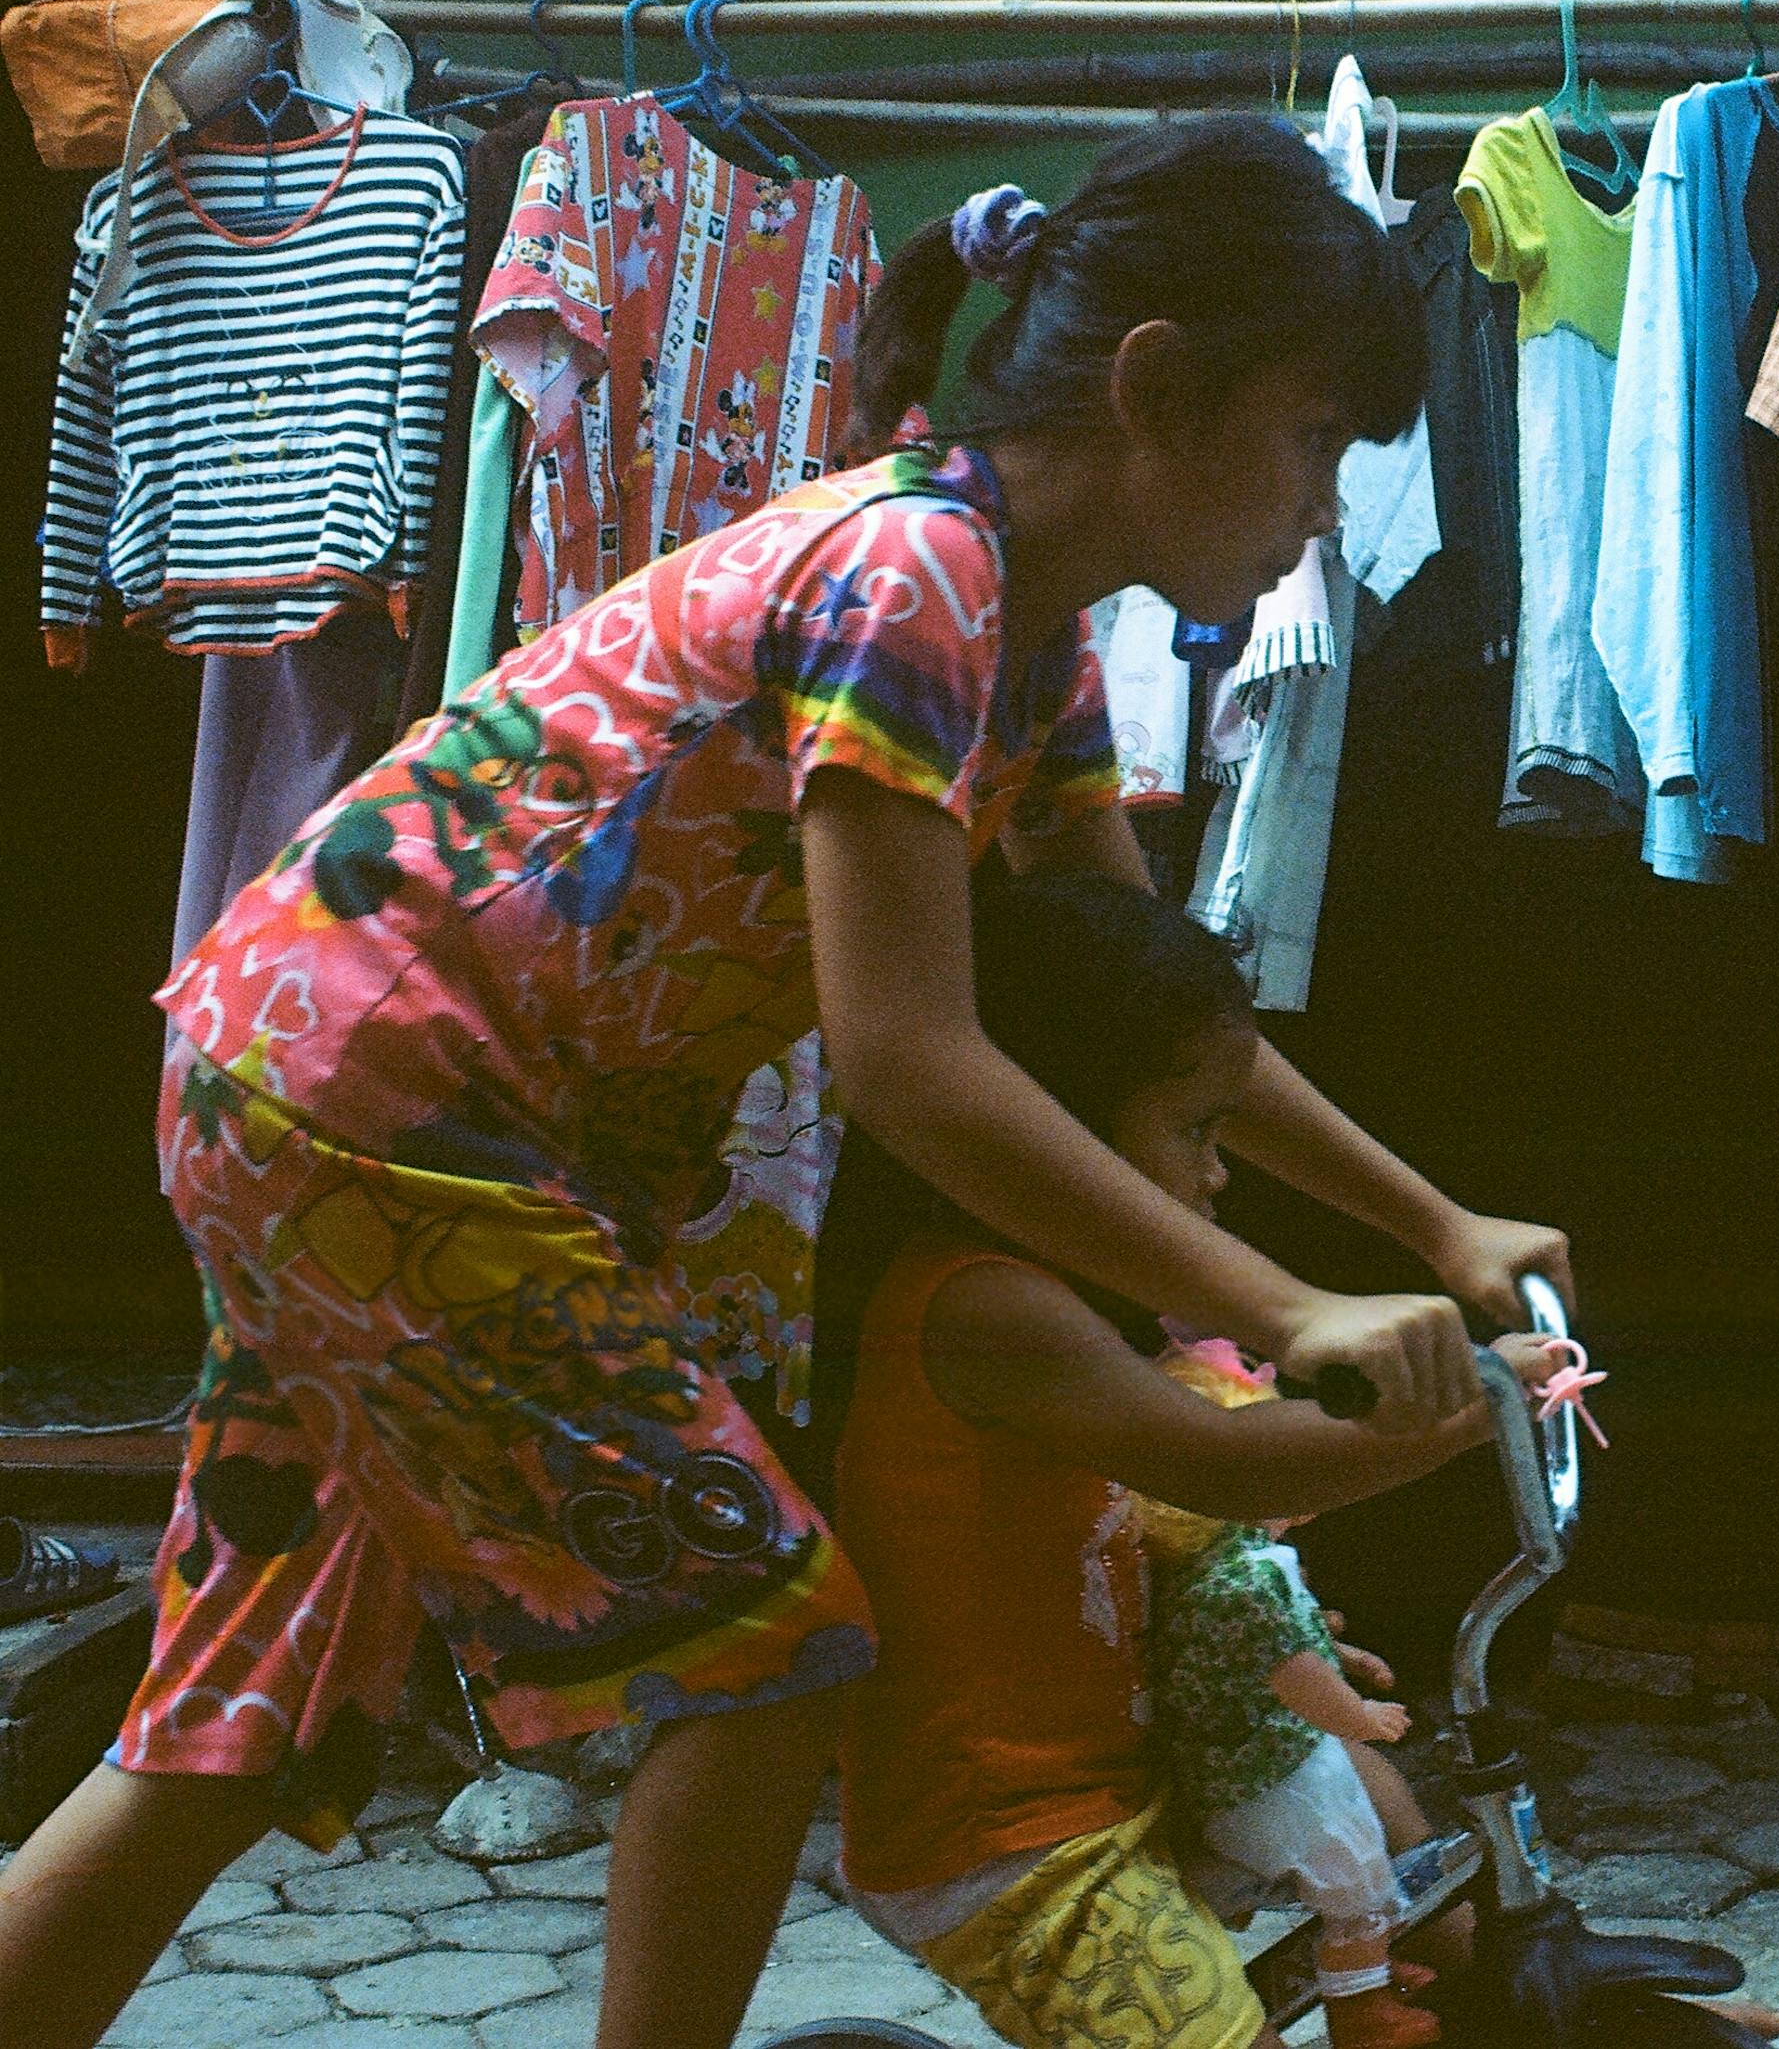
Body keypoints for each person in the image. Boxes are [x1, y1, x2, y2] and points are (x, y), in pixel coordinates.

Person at [0, 117, 1572, 2049]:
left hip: (329, 1090)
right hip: (390, 1114)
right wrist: (1282, 1304)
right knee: (764, 1647)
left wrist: (1430, 1224)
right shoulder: (913, 578)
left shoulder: (1022, 635)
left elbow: (1154, 1022)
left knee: (243, 1719)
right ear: (1156, 388)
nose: (1325, 507)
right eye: (1316, 437)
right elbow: (913, 1063)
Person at [821, 870, 1517, 2049]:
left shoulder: (1071, 1301)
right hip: (1015, 1839)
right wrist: (1485, 1402)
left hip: (1128, 1770)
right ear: (1063, 1130)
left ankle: (1465, 1989)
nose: (1219, 1172)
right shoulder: (981, 1309)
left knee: (1393, 1835)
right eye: (1196, 1131)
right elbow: (1224, 1467)